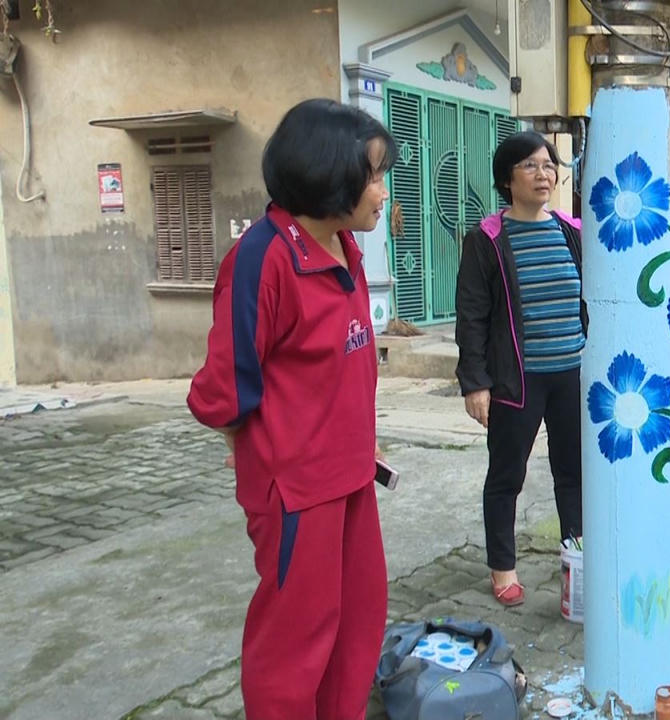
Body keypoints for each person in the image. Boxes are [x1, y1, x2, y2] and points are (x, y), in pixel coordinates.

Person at [187, 98, 395, 718]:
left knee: (357, 621)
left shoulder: (344, 247)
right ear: (330, 174)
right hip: (297, 490)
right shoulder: (264, 258)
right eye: (373, 176)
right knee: (296, 640)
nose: (383, 192)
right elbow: (224, 388)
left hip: (351, 474)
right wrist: (253, 448)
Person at [455, 131, 585, 608]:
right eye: (530, 166)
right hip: (517, 380)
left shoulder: (571, 231)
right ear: (507, 180)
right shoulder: (487, 239)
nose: (543, 174)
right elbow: (471, 314)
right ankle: (503, 567)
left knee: (573, 473)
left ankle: (576, 559)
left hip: (572, 374)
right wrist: (475, 383)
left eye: (549, 165)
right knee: (507, 475)